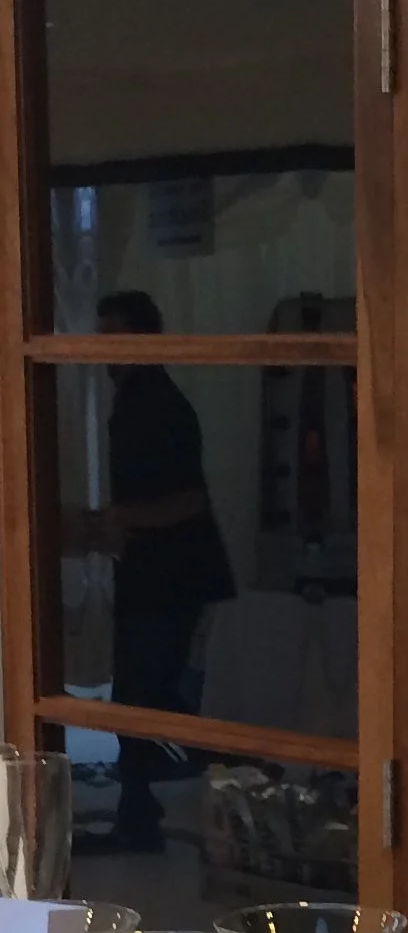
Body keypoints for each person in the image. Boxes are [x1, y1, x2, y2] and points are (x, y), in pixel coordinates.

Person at [74, 290, 235, 854]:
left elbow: (187, 501)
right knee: (141, 694)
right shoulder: (139, 398)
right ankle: (138, 811)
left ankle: (152, 809)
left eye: (113, 337)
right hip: (156, 575)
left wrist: (118, 519)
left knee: (149, 696)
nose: (104, 352)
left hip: (171, 578)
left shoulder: (155, 403)